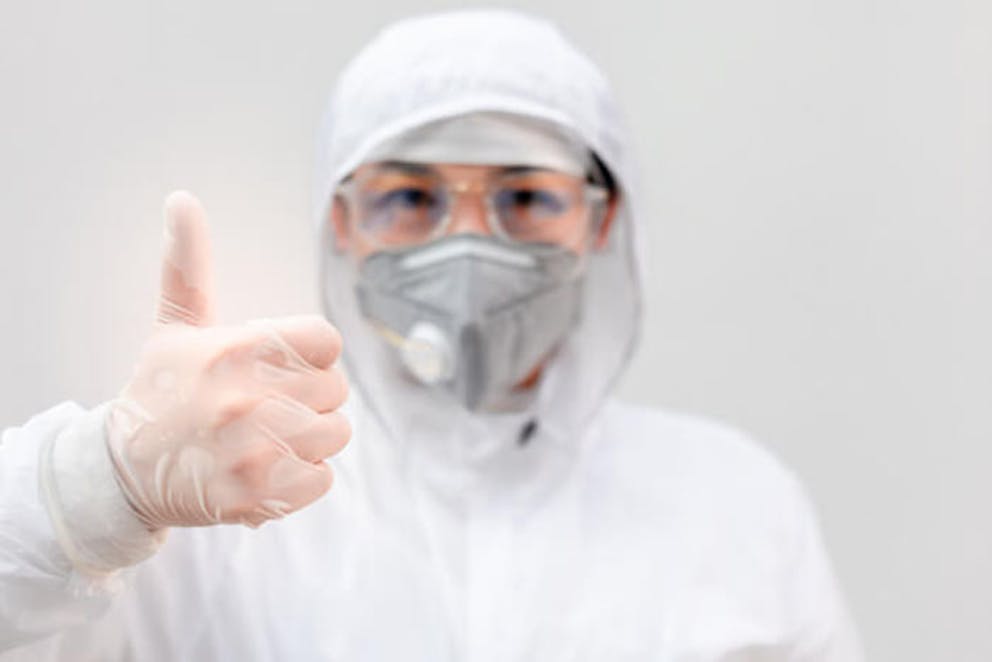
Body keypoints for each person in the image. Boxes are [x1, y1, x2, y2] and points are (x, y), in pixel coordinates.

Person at [0, 9, 863, 661]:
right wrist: (97, 486)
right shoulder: (224, 503)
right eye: (410, 199)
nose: (469, 245)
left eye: (526, 197)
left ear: (603, 224)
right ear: (341, 223)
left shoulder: (734, 506)